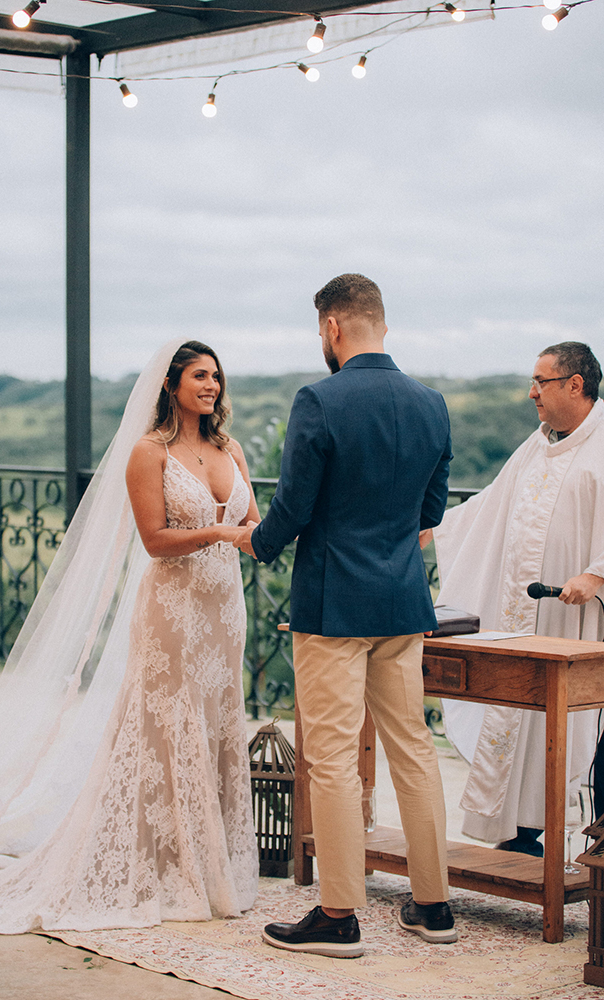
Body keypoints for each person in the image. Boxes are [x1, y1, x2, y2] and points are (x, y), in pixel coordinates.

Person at [0, 339, 259, 933]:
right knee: (165, 729)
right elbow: (155, 541)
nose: (211, 386)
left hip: (224, 614)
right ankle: (162, 864)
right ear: (171, 384)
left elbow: (253, 524)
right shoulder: (149, 452)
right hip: (173, 611)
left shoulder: (229, 447)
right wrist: (218, 535)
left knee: (215, 724)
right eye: (198, 376)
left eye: (215, 376)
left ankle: (218, 866)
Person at [234, 274, 456, 957]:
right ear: (377, 324)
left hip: (332, 606)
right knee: (413, 750)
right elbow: (429, 513)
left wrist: (255, 540)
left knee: (329, 758)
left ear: (331, 327)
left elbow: (294, 507)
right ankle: (433, 906)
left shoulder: (318, 400)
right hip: (401, 604)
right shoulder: (430, 403)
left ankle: (337, 916)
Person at [425, 342, 604, 854]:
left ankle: (558, 829)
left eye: (541, 382)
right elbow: (491, 501)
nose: (532, 393)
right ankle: (522, 832)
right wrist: (435, 529)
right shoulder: (539, 441)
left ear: (575, 383)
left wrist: (595, 574)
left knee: (567, 727)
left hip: (578, 621)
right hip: (523, 614)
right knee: (520, 716)